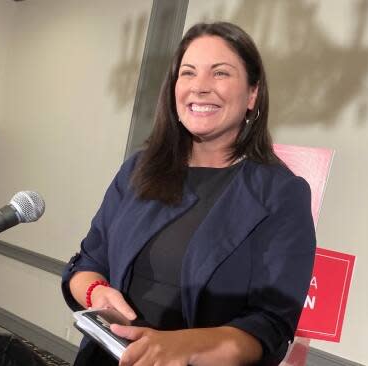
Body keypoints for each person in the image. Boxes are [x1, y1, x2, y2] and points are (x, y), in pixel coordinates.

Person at [62, 21, 316, 366]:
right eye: (188, 73)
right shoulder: (137, 170)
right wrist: (97, 293)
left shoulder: (281, 194)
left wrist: (184, 347)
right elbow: (88, 264)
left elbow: (268, 326)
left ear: (252, 94)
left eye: (220, 74)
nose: (200, 87)